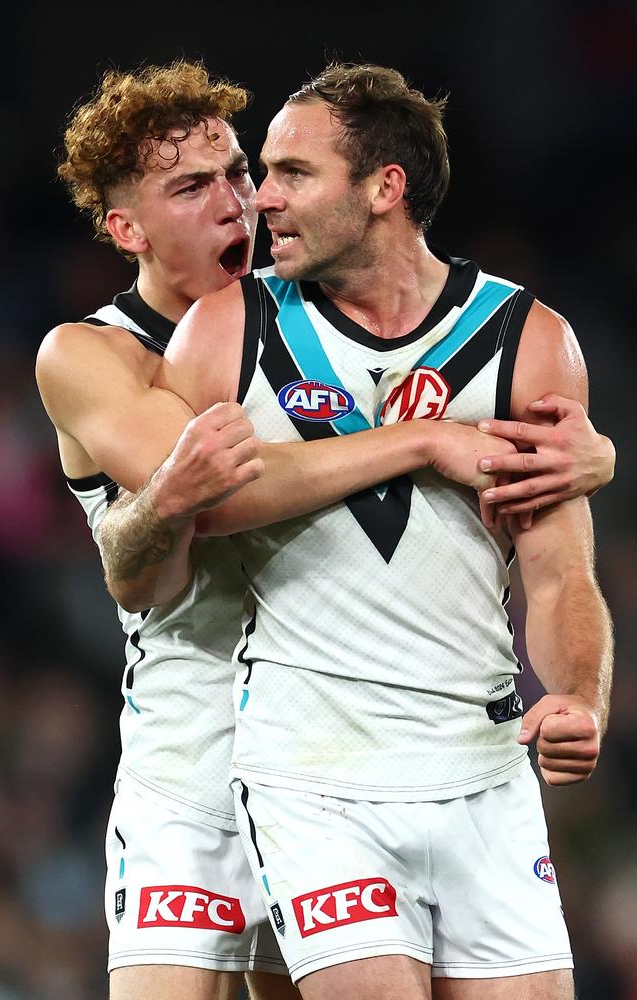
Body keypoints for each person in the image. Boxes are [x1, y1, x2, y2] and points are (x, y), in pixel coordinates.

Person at [35, 59, 608, 1000]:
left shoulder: (293, 319)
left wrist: (588, 459)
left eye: (239, 173)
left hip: (338, 743)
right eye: (196, 188)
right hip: (194, 752)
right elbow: (214, 500)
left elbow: (531, 503)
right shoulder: (93, 354)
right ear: (126, 229)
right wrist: (428, 438)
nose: (243, 202)